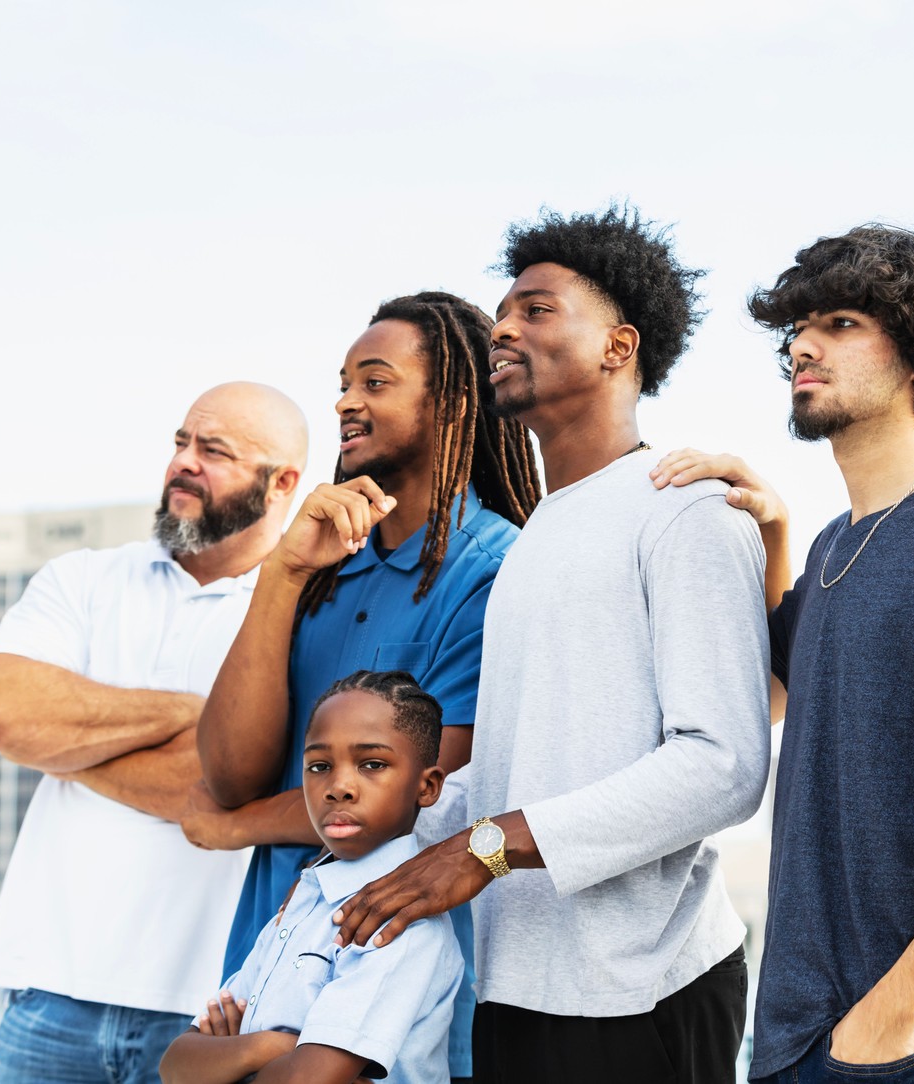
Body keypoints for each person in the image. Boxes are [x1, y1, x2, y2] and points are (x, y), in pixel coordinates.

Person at [330, 205, 771, 1084]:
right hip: (518, 985)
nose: (501, 327)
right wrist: (374, 849)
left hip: (640, 993)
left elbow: (724, 765)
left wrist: (488, 845)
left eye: (536, 309)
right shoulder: (539, 535)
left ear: (619, 347)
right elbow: (519, 770)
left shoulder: (685, 511)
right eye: (502, 312)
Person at [650, 225, 914, 1083]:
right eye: (798, 328)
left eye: (839, 324)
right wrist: (778, 529)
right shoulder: (834, 545)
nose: (803, 345)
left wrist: (893, 1015)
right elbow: (772, 691)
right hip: (798, 1033)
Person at [193, 292, 540, 1083]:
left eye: (375, 382)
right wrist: (282, 572)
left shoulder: (493, 571)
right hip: (269, 953)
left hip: (385, 965)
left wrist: (234, 826)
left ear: (453, 403)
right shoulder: (316, 567)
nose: (347, 401)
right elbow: (229, 770)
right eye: (344, 382)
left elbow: (424, 795)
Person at [0, 382, 308, 1083]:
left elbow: (222, 783)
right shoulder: (84, 580)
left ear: (283, 484)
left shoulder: (307, 612)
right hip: (49, 993)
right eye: (181, 442)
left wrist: (66, 751)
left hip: (211, 1015)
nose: (184, 462)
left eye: (214, 451)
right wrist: (191, 713)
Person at [160, 670, 465, 1084]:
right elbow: (176, 1063)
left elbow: (305, 1081)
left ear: (427, 787)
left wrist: (231, 1060)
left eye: (372, 764)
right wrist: (271, 1046)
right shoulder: (303, 902)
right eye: (319, 765)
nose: (338, 787)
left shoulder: (400, 926)